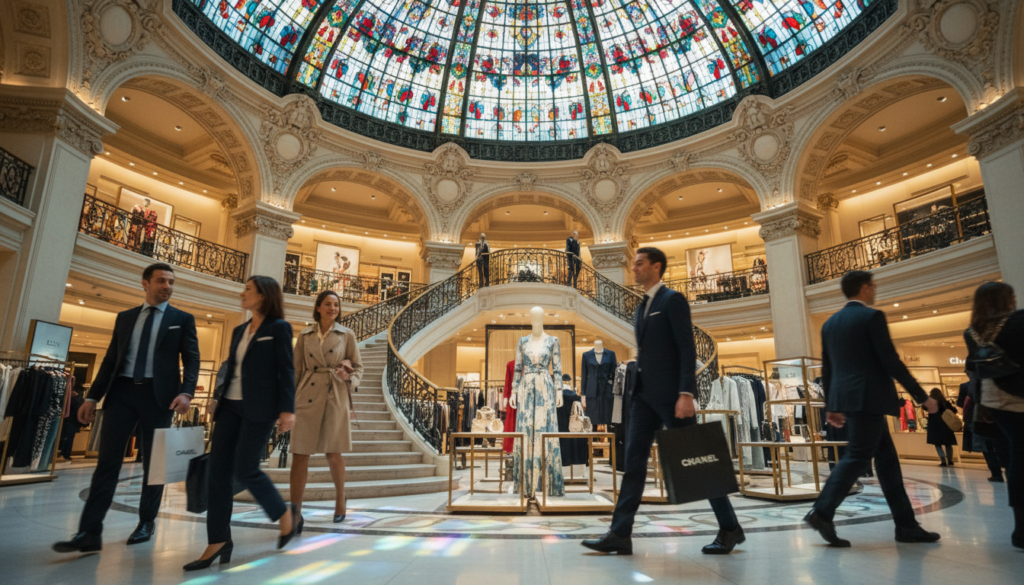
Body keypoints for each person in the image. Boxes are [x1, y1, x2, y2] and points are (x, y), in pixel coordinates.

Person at [582, 247, 743, 555]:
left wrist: (686, 393)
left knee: (699, 463)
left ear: (656, 267)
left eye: (639, 263)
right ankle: (619, 533)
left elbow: (686, 348)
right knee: (633, 465)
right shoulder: (642, 306)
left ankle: (731, 527)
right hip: (643, 398)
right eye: (634, 264)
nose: (634, 268)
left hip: (672, 397)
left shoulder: (673, 300)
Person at [53, 263, 200, 554]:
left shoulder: (182, 319)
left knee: (154, 465)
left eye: (171, 282)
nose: (167, 286)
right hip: (121, 394)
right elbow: (110, 361)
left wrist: (186, 392)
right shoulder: (125, 318)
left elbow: (192, 359)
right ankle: (89, 531)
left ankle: (146, 522)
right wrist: (92, 399)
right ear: (145, 283)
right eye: (161, 281)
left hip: (159, 398)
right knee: (107, 463)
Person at [805, 270, 940, 547]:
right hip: (869, 398)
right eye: (873, 285)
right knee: (856, 456)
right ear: (865, 288)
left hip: (850, 399)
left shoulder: (830, 324)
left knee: (887, 462)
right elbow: (891, 362)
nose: (874, 289)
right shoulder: (871, 317)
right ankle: (822, 511)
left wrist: (831, 405)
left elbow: (827, 368)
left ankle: (906, 525)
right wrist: (921, 397)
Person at [184, 276, 298, 571]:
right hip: (229, 408)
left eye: (248, 289)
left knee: (246, 468)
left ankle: (284, 514)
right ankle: (218, 539)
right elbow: (231, 370)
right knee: (217, 474)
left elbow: (286, 370)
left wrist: (287, 410)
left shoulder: (279, 329)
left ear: (263, 295)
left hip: (259, 409)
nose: (242, 293)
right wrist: (216, 398)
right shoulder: (238, 331)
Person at [291, 290, 364, 526]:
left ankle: (340, 500)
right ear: (319, 307)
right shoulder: (304, 335)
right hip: (307, 395)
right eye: (328, 304)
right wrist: (289, 403)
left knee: (333, 452)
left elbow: (359, 367)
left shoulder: (347, 335)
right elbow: (297, 370)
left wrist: (349, 378)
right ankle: (295, 510)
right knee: (300, 454)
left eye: (336, 305)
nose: (333, 308)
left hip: (335, 394)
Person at [963, 281, 1024, 549]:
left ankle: (1020, 528)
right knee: (1019, 455)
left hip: (991, 399)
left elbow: (971, 366)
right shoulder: (1018, 321)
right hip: (1018, 394)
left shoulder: (973, 331)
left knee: (1016, 454)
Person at [926, 388, 958, 466]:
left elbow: (924, 407)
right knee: (948, 443)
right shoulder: (945, 402)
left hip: (934, 425)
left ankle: (943, 460)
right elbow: (954, 410)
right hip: (945, 424)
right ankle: (950, 460)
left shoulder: (930, 403)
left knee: (937, 444)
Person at [59, 387, 85, 462]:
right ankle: (64, 453)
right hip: (70, 421)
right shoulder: (78, 399)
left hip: (70, 421)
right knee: (68, 438)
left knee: (67, 437)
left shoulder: (76, 399)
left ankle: (65, 453)